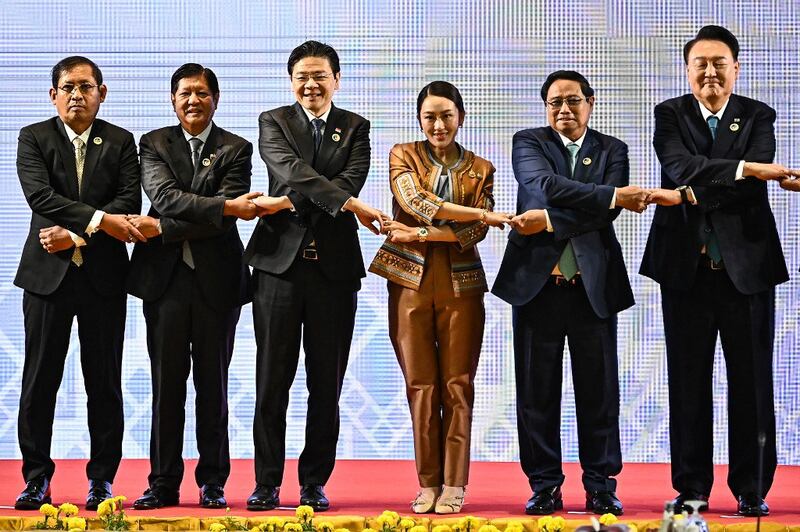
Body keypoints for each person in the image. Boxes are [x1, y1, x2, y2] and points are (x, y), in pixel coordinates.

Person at [641, 25, 796, 517]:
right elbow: (679, 164)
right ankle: (691, 490)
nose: (710, 71)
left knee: (752, 381)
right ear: (689, 70)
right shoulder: (669, 114)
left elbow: (749, 176)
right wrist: (744, 168)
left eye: (719, 62)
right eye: (701, 63)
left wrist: (717, 182)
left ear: (736, 67)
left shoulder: (759, 114)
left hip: (746, 268)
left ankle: (752, 488)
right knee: (687, 381)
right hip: (684, 269)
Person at [493, 71, 649, 516]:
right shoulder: (529, 142)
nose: (564, 109)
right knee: (535, 391)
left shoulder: (612, 149)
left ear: (590, 103)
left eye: (573, 101)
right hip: (537, 286)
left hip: (592, 287)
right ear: (546, 108)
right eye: (555, 102)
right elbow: (541, 188)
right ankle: (545, 484)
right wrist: (607, 195)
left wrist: (553, 218)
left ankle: (601, 484)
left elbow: (608, 214)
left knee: (598, 392)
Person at [243, 40, 386, 512]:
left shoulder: (356, 127)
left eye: (320, 75)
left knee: (326, 384)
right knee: (272, 380)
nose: (311, 84)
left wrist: (287, 199)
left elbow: (351, 180)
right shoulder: (273, 122)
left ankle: (313, 482)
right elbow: (290, 169)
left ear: (336, 80)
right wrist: (345, 204)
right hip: (277, 269)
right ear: (291, 81)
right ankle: (266, 483)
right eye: (302, 76)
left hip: (333, 272)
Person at [368, 81, 510, 514]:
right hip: (408, 282)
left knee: (457, 385)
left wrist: (426, 232)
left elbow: (473, 234)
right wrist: (480, 212)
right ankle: (427, 483)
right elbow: (416, 200)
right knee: (421, 387)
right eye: (429, 116)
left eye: (446, 115)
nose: (438, 124)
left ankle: (455, 484)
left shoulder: (482, 167)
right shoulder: (402, 154)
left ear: (461, 117)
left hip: (462, 286)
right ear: (419, 120)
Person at [126, 63, 258, 510]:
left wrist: (164, 228)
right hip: (163, 283)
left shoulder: (236, 148)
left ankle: (213, 482)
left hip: (217, 283)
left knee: (212, 385)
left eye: (201, 93)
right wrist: (221, 207)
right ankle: (162, 483)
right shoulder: (154, 143)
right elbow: (164, 197)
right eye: (184, 93)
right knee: (167, 386)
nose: (192, 100)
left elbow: (223, 220)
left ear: (215, 99)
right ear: (172, 99)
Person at [14, 56, 143, 510]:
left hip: (103, 278)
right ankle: (35, 478)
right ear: (53, 94)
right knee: (39, 380)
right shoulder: (34, 137)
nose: (76, 95)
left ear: (101, 93)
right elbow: (40, 196)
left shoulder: (123, 142)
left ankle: (102, 480)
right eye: (67, 87)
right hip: (46, 277)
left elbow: (129, 199)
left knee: (103, 383)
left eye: (86, 87)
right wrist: (98, 220)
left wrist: (76, 232)